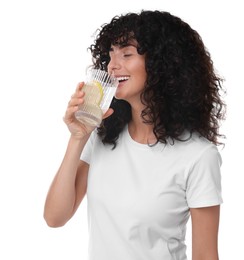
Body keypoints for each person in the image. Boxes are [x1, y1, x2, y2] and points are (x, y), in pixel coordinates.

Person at [44, 10, 226, 260]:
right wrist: (78, 137)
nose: (112, 65)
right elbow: (55, 217)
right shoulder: (103, 136)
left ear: (162, 63)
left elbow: (205, 255)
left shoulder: (198, 155)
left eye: (126, 54)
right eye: (110, 55)